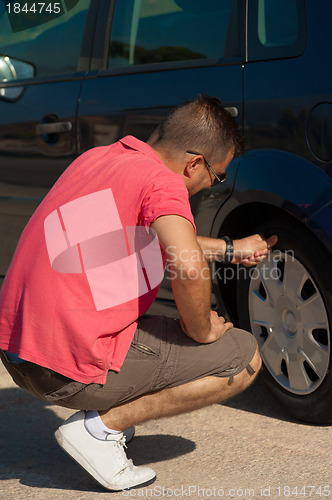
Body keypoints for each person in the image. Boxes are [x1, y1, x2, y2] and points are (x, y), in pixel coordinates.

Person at [0, 95, 277, 491]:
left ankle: (106, 414)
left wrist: (232, 249)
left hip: (18, 352)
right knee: (241, 355)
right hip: (60, 369)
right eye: (217, 176)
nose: (210, 185)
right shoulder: (164, 182)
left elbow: (148, 239)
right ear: (194, 163)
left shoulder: (100, 158)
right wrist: (202, 331)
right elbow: (187, 264)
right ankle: (99, 429)